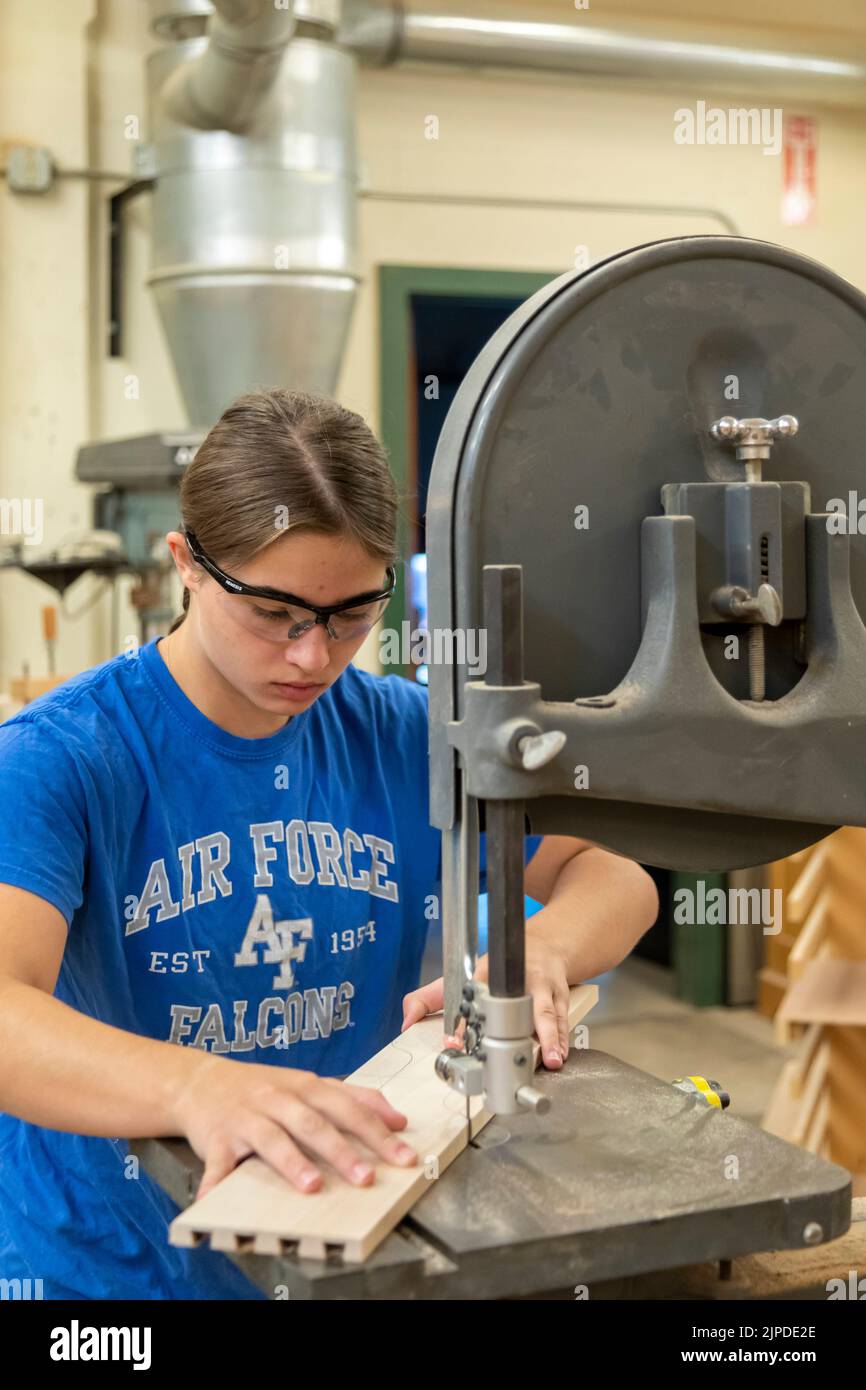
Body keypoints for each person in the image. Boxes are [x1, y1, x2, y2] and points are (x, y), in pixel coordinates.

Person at [0, 388, 658, 1299]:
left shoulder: (402, 734)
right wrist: (199, 1088)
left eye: (352, 614)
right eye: (276, 613)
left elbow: (612, 874)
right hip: (111, 1273)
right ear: (186, 564)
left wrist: (538, 946)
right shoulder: (64, 757)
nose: (314, 655)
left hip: (338, 1247)